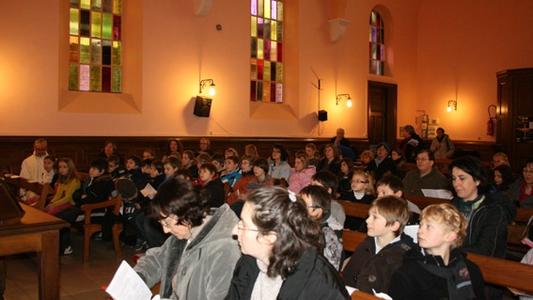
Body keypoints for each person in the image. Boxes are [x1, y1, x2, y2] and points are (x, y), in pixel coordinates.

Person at [225, 187, 350, 299]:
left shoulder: (319, 286)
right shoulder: (250, 260)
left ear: (270, 237)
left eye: (243, 224)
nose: (235, 231)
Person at [133, 177, 241, 299]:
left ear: (187, 217)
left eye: (167, 224)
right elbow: (158, 259)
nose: (165, 230)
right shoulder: (186, 230)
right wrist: (137, 278)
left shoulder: (224, 250)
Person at [388, 203, 486, 300]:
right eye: (421, 225)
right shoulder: (408, 273)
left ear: (450, 236)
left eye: (428, 227)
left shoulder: (469, 271)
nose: (420, 231)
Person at [342, 196, 415, 293]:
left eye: (375, 217)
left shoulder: (404, 257)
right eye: (369, 216)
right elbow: (348, 277)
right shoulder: (366, 244)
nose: (367, 220)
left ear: (394, 226)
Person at [450, 156, 516, 258]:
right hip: (452, 262)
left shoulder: (493, 211)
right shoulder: (452, 205)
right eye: (454, 178)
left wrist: (447, 250)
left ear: (477, 181)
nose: (456, 183)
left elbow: (484, 251)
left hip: (482, 266)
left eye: (462, 178)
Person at [300, 185, 343, 270]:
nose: (299, 208)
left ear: (319, 210)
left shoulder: (327, 235)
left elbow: (331, 269)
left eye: (304, 205)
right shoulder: (297, 224)